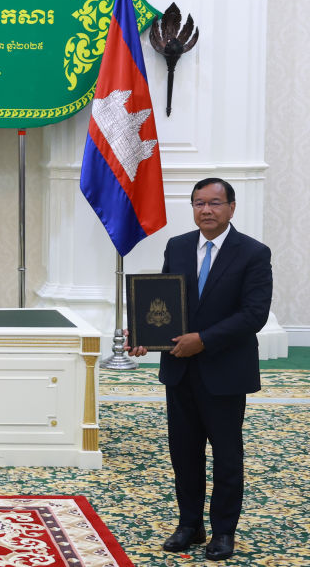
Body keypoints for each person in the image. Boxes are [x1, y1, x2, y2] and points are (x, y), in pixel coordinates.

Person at [128, 177, 272, 561]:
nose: (206, 210)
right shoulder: (177, 246)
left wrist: (204, 339)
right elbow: (163, 304)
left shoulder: (253, 253)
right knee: (184, 453)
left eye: (214, 203)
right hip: (180, 369)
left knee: (226, 457)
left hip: (225, 371)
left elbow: (254, 315)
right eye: (198, 203)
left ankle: (223, 531)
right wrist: (143, 334)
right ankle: (189, 525)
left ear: (231, 207)